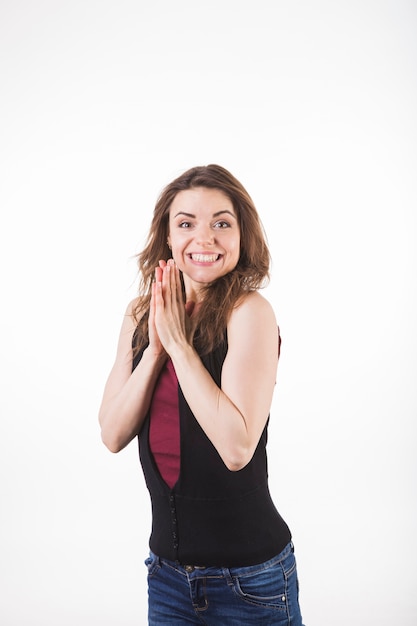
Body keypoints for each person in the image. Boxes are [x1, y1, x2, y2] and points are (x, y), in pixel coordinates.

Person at [98, 164, 305, 625]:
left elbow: (236, 448)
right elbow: (112, 434)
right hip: (168, 579)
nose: (204, 238)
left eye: (222, 223)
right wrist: (155, 350)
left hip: (251, 582)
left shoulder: (249, 312)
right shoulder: (140, 316)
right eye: (186, 223)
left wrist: (178, 346)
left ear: (241, 236)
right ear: (168, 238)